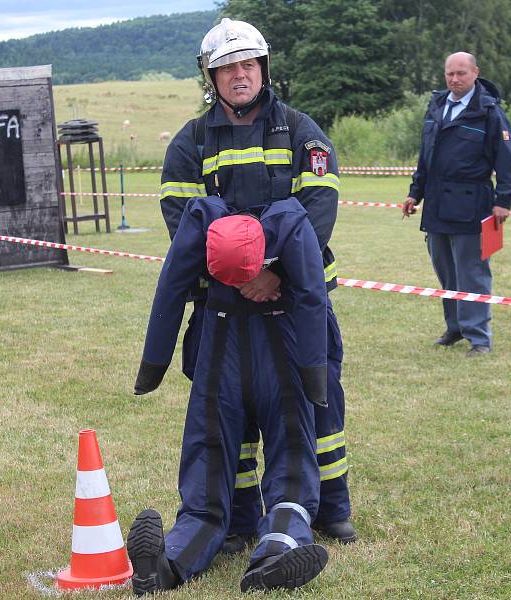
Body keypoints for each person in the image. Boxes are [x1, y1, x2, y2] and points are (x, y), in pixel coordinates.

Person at [158, 17, 355, 547]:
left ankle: (331, 509)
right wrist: (239, 277)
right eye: (227, 68)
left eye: (248, 64)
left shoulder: (301, 131)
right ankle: (240, 519)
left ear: (263, 69)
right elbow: (181, 221)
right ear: (211, 76)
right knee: (231, 415)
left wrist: (272, 273)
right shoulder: (190, 142)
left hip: (294, 303)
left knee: (320, 406)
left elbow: (319, 208)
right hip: (222, 307)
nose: (239, 75)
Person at [128, 195, 329, 594]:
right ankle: (277, 552)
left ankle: (169, 560)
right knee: (291, 457)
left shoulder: (198, 218)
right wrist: (314, 374)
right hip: (280, 342)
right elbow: (311, 294)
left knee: (206, 467)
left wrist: (152, 368)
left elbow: (169, 289)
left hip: (218, 343)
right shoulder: (290, 221)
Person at [402, 52, 511, 355]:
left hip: (473, 204)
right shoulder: (437, 106)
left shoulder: (489, 112)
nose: (455, 79)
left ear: (475, 73)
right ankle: (455, 328)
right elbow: (426, 155)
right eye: (450, 74)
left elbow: (507, 160)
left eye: (461, 74)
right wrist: (414, 192)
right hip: (436, 204)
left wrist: (504, 200)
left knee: (472, 274)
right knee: (446, 273)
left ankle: (479, 338)